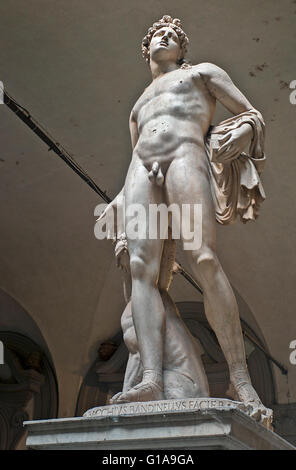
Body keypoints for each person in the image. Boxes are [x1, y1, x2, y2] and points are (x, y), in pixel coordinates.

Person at [98, 15, 271, 425]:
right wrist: (118, 201)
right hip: (142, 169)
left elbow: (252, 114)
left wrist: (245, 130)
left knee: (203, 257)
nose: (166, 36)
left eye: (174, 34)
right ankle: (152, 379)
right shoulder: (138, 105)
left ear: (182, 49)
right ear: (148, 48)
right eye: (159, 33)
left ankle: (240, 379)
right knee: (142, 268)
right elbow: (136, 148)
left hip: (185, 155)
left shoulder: (202, 73)